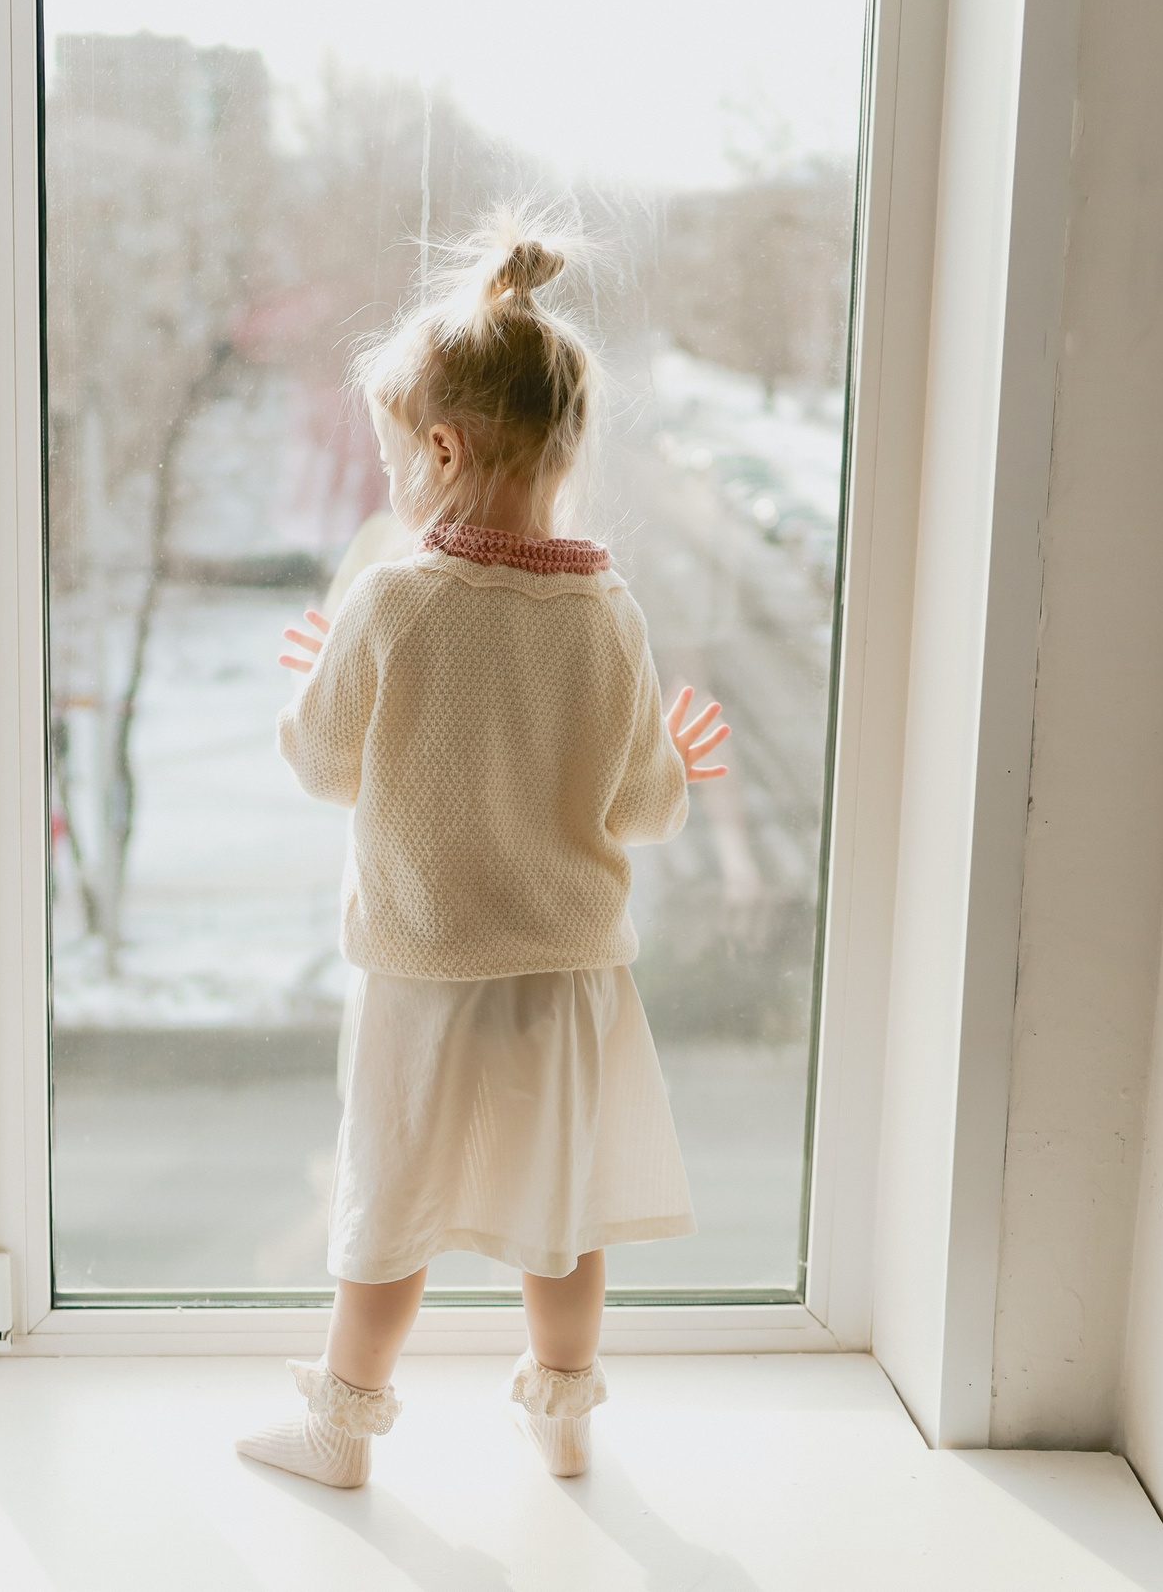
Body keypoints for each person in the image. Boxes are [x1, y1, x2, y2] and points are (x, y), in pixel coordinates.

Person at [234, 209, 730, 1489]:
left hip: (427, 967)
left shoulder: (394, 598)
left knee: (386, 1205)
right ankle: (563, 1422)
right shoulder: (607, 612)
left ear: (443, 448)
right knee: (559, 1216)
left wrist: (312, 686)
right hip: (568, 976)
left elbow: (324, 761)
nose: (395, 482)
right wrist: (679, 761)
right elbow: (641, 804)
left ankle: (343, 1430)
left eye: (400, 457)